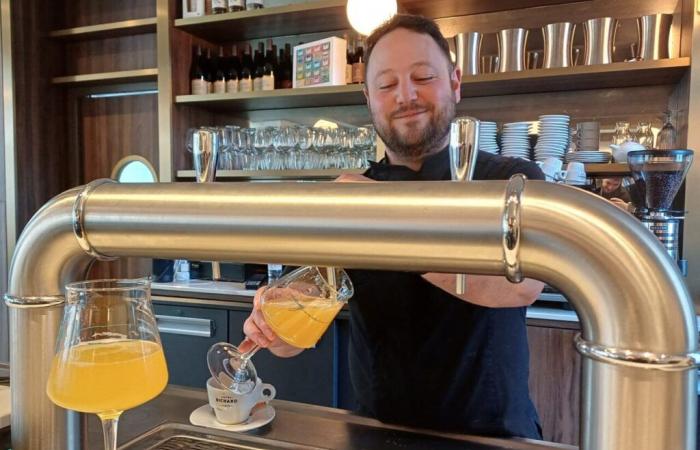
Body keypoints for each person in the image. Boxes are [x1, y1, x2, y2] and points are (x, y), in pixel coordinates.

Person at [241, 14, 545, 439]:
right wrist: (278, 322)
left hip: (493, 436)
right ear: (368, 98)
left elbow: (522, 284)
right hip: (374, 432)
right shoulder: (355, 196)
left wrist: (380, 221)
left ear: (455, 82)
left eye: (423, 76)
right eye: (386, 85)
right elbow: (307, 313)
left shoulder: (509, 178)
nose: (406, 95)